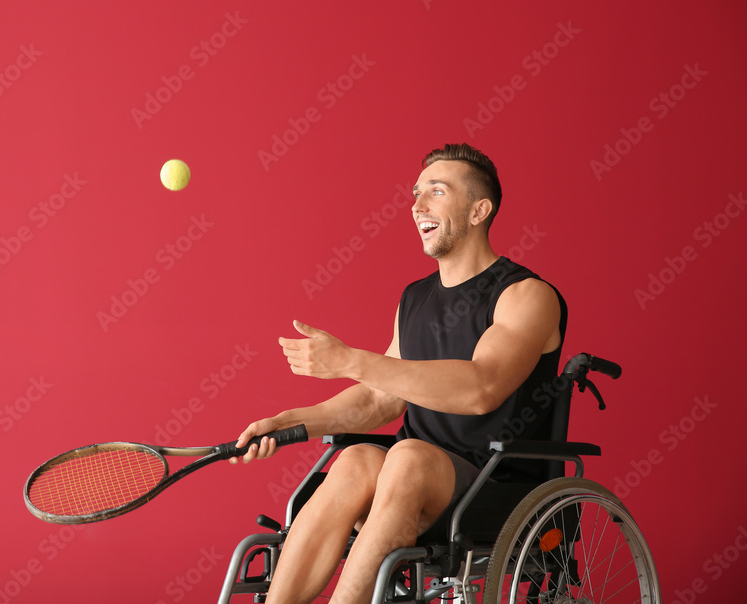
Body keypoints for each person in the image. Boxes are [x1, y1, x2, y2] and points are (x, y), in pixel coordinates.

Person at [229, 143, 567, 604]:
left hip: (498, 485)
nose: (417, 205)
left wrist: (349, 360)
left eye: (437, 191)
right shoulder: (415, 298)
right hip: (412, 479)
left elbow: (481, 388)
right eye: (416, 193)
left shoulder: (526, 295)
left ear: (478, 210)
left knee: (407, 455)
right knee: (356, 460)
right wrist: (290, 421)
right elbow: (378, 400)